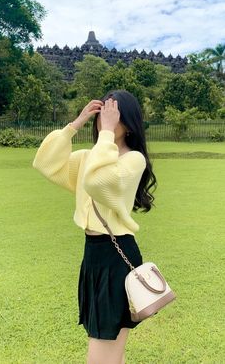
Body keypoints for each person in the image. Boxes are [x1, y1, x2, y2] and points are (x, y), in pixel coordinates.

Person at [32, 89, 157, 364]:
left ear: (129, 122)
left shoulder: (133, 159)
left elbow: (98, 182)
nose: (106, 119)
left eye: (114, 114)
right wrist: (75, 124)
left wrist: (107, 135)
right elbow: (45, 163)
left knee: (102, 353)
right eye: (103, 113)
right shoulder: (91, 156)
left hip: (116, 257)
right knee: (109, 350)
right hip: (94, 255)